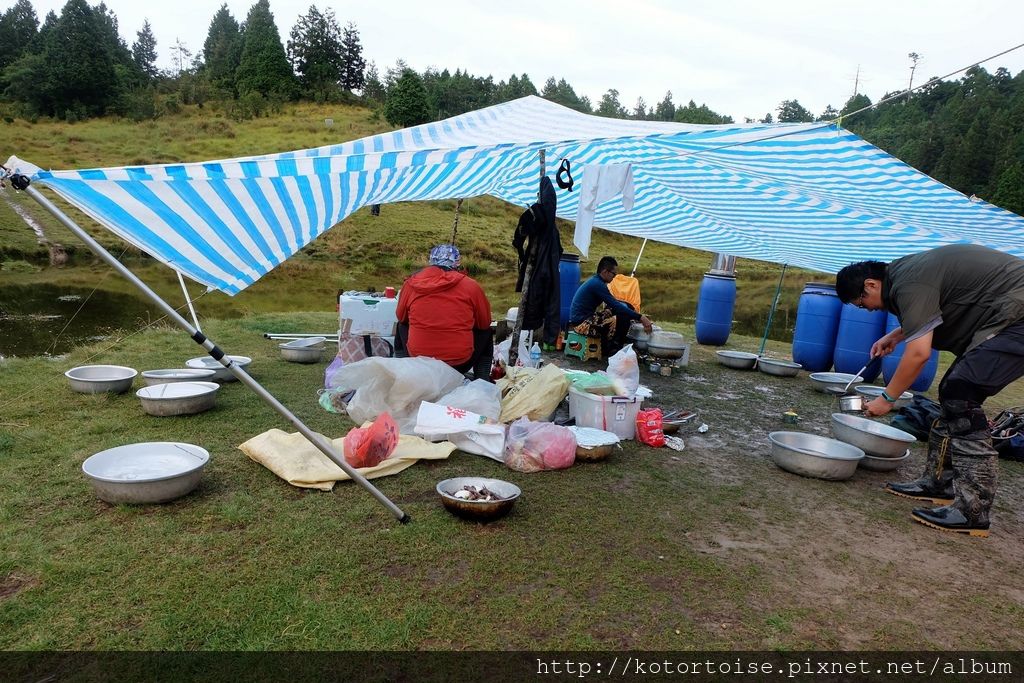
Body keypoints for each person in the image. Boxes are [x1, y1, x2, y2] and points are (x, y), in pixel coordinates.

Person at [835, 244, 1024, 537]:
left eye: (863, 302)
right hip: (1008, 312)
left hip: (1018, 317)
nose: (869, 309)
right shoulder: (905, 273)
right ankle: (938, 483)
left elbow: (919, 354)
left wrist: (887, 399)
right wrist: (898, 334)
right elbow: (941, 306)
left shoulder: (909, 281)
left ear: (871, 284)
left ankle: (972, 511)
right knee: (953, 394)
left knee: (960, 394)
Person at [395, 244, 494, 380]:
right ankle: (482, 381)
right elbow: (484, 323)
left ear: (431, 262)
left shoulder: (410, 284)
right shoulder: (471, 286)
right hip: (459, 363)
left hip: (418, 360)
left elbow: (401, 317)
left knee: (401, 325)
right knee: (486, 332)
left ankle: (402, 373)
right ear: (457, 263)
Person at [568, 256, 653, 357]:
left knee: (626, 306)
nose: (614, 277)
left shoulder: (597, 281)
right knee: (621, 315)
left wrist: (633, 313)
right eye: (613, 273)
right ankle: (614, 349)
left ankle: (613, 345)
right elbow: (616, 306)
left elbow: (615, 303)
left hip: (585, 318)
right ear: (605, 272)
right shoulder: (597, 284)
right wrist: (641, 317)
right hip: (581, 324)